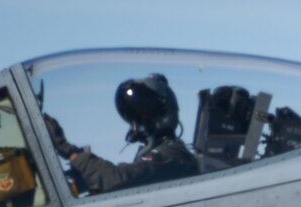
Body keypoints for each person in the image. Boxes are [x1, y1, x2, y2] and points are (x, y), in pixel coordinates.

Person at [46, 74, 198, 194]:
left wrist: (70, 151)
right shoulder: (166, 156)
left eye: (143, 115)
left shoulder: (171, 157)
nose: (137, 122)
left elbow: (115, 179)